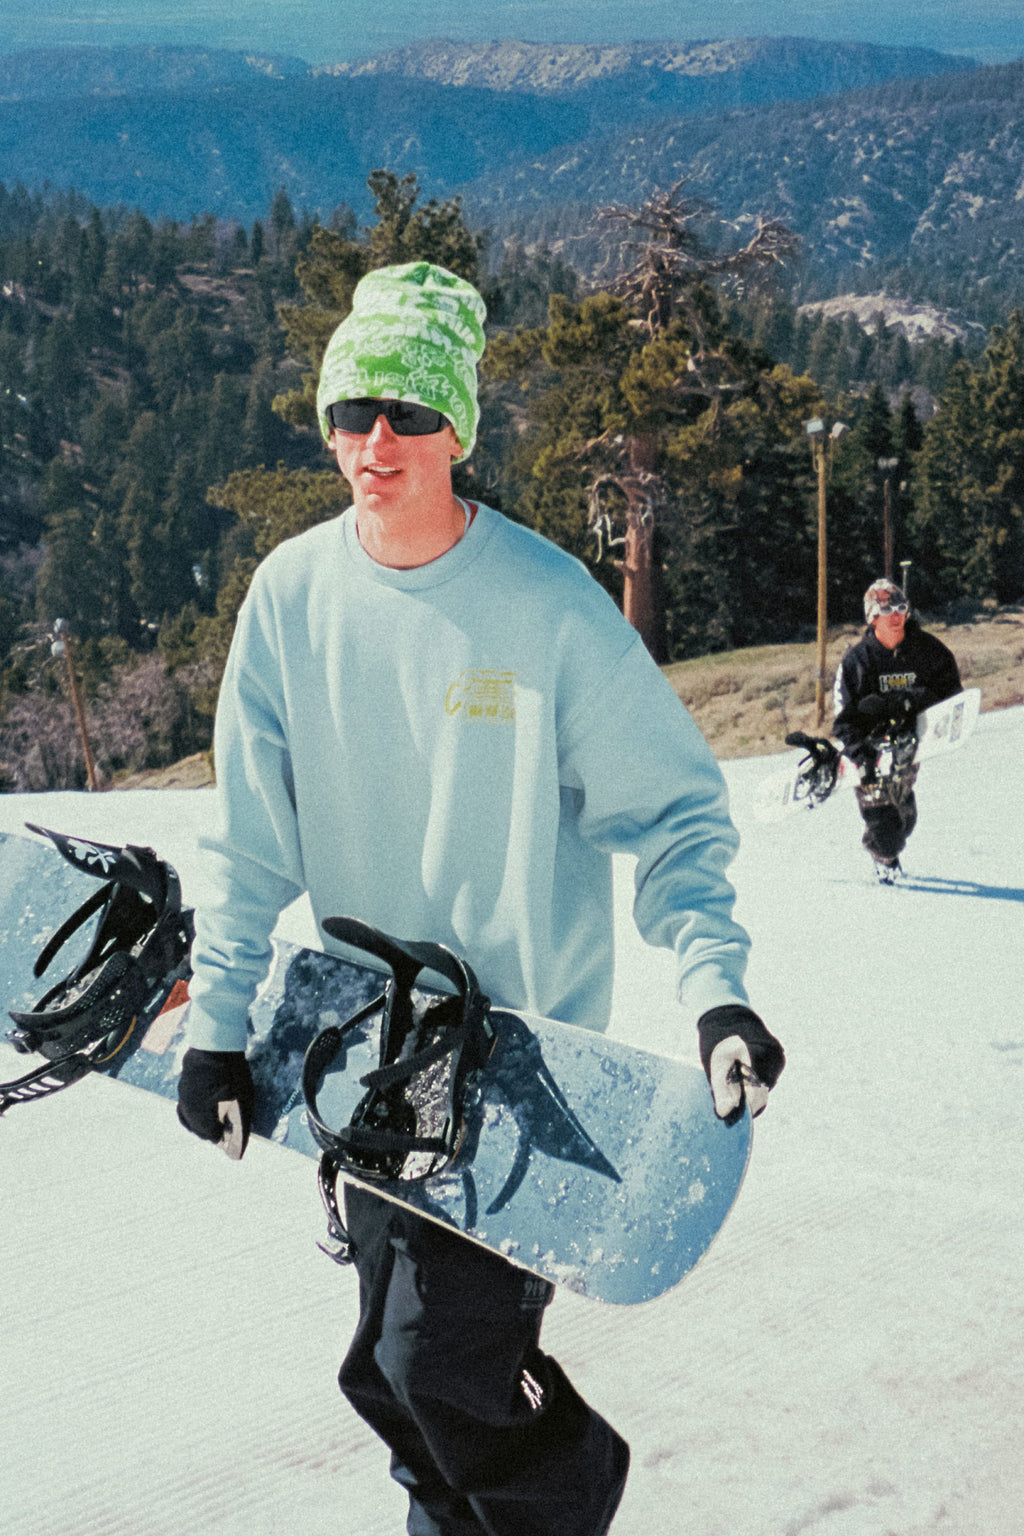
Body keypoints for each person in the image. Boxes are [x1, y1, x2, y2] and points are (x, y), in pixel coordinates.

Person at [175, 261, 785, 1536]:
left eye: (404, 412)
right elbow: (245, 836)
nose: (373, 443)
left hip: (517, 1069)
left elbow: (673, 812)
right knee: (390, 1373)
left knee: (429, 1365)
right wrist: (216, 1029)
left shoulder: (547, 607)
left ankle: (566, 1500)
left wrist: (716, 992)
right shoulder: (291, 599)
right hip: (368, 1064)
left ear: (458, 423)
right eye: (350, 413)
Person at [833, 577, 962, 875]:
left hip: (909, 741)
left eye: (901, 608)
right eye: (887, 609)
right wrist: (861, 757)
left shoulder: (929, 651)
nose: (896, 615)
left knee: (905, 819)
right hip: (869, 746)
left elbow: (952, 695)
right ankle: (886, 865)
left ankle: (890, 843)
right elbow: (844, 721)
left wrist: (913, 700)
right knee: (884, 828)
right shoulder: (856, 661)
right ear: (872, 616)